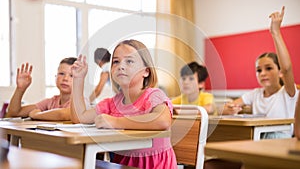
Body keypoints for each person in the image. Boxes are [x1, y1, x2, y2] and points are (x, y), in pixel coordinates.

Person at [71, 39, 177, 168]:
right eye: (116, 61)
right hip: (121, 165)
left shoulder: (153, 95)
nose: (121, 66)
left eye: (129, 61)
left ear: (146, 71)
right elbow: (80, 117)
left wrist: (115, 122)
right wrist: (78, 79)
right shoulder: (112, 103)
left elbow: (162, 121)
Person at [221, 6, 299, 138]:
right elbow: (229, 106)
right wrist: (229, 109)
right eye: (258, 70)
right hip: (257, 138)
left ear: (280, 72)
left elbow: (287, 69)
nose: (262, 73)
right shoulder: (255, 94)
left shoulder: (288, 93)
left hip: (280, 141)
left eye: (268, 68)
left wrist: (275, 32)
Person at [7, 57, 77, 121]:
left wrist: (37, 115)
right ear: (55, 76)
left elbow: (62, 114)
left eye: (71, 76)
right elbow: (14, 112)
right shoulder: (50, 102)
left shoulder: (80, 102)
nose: (65, 79)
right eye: (61, 74)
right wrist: (20, 89)